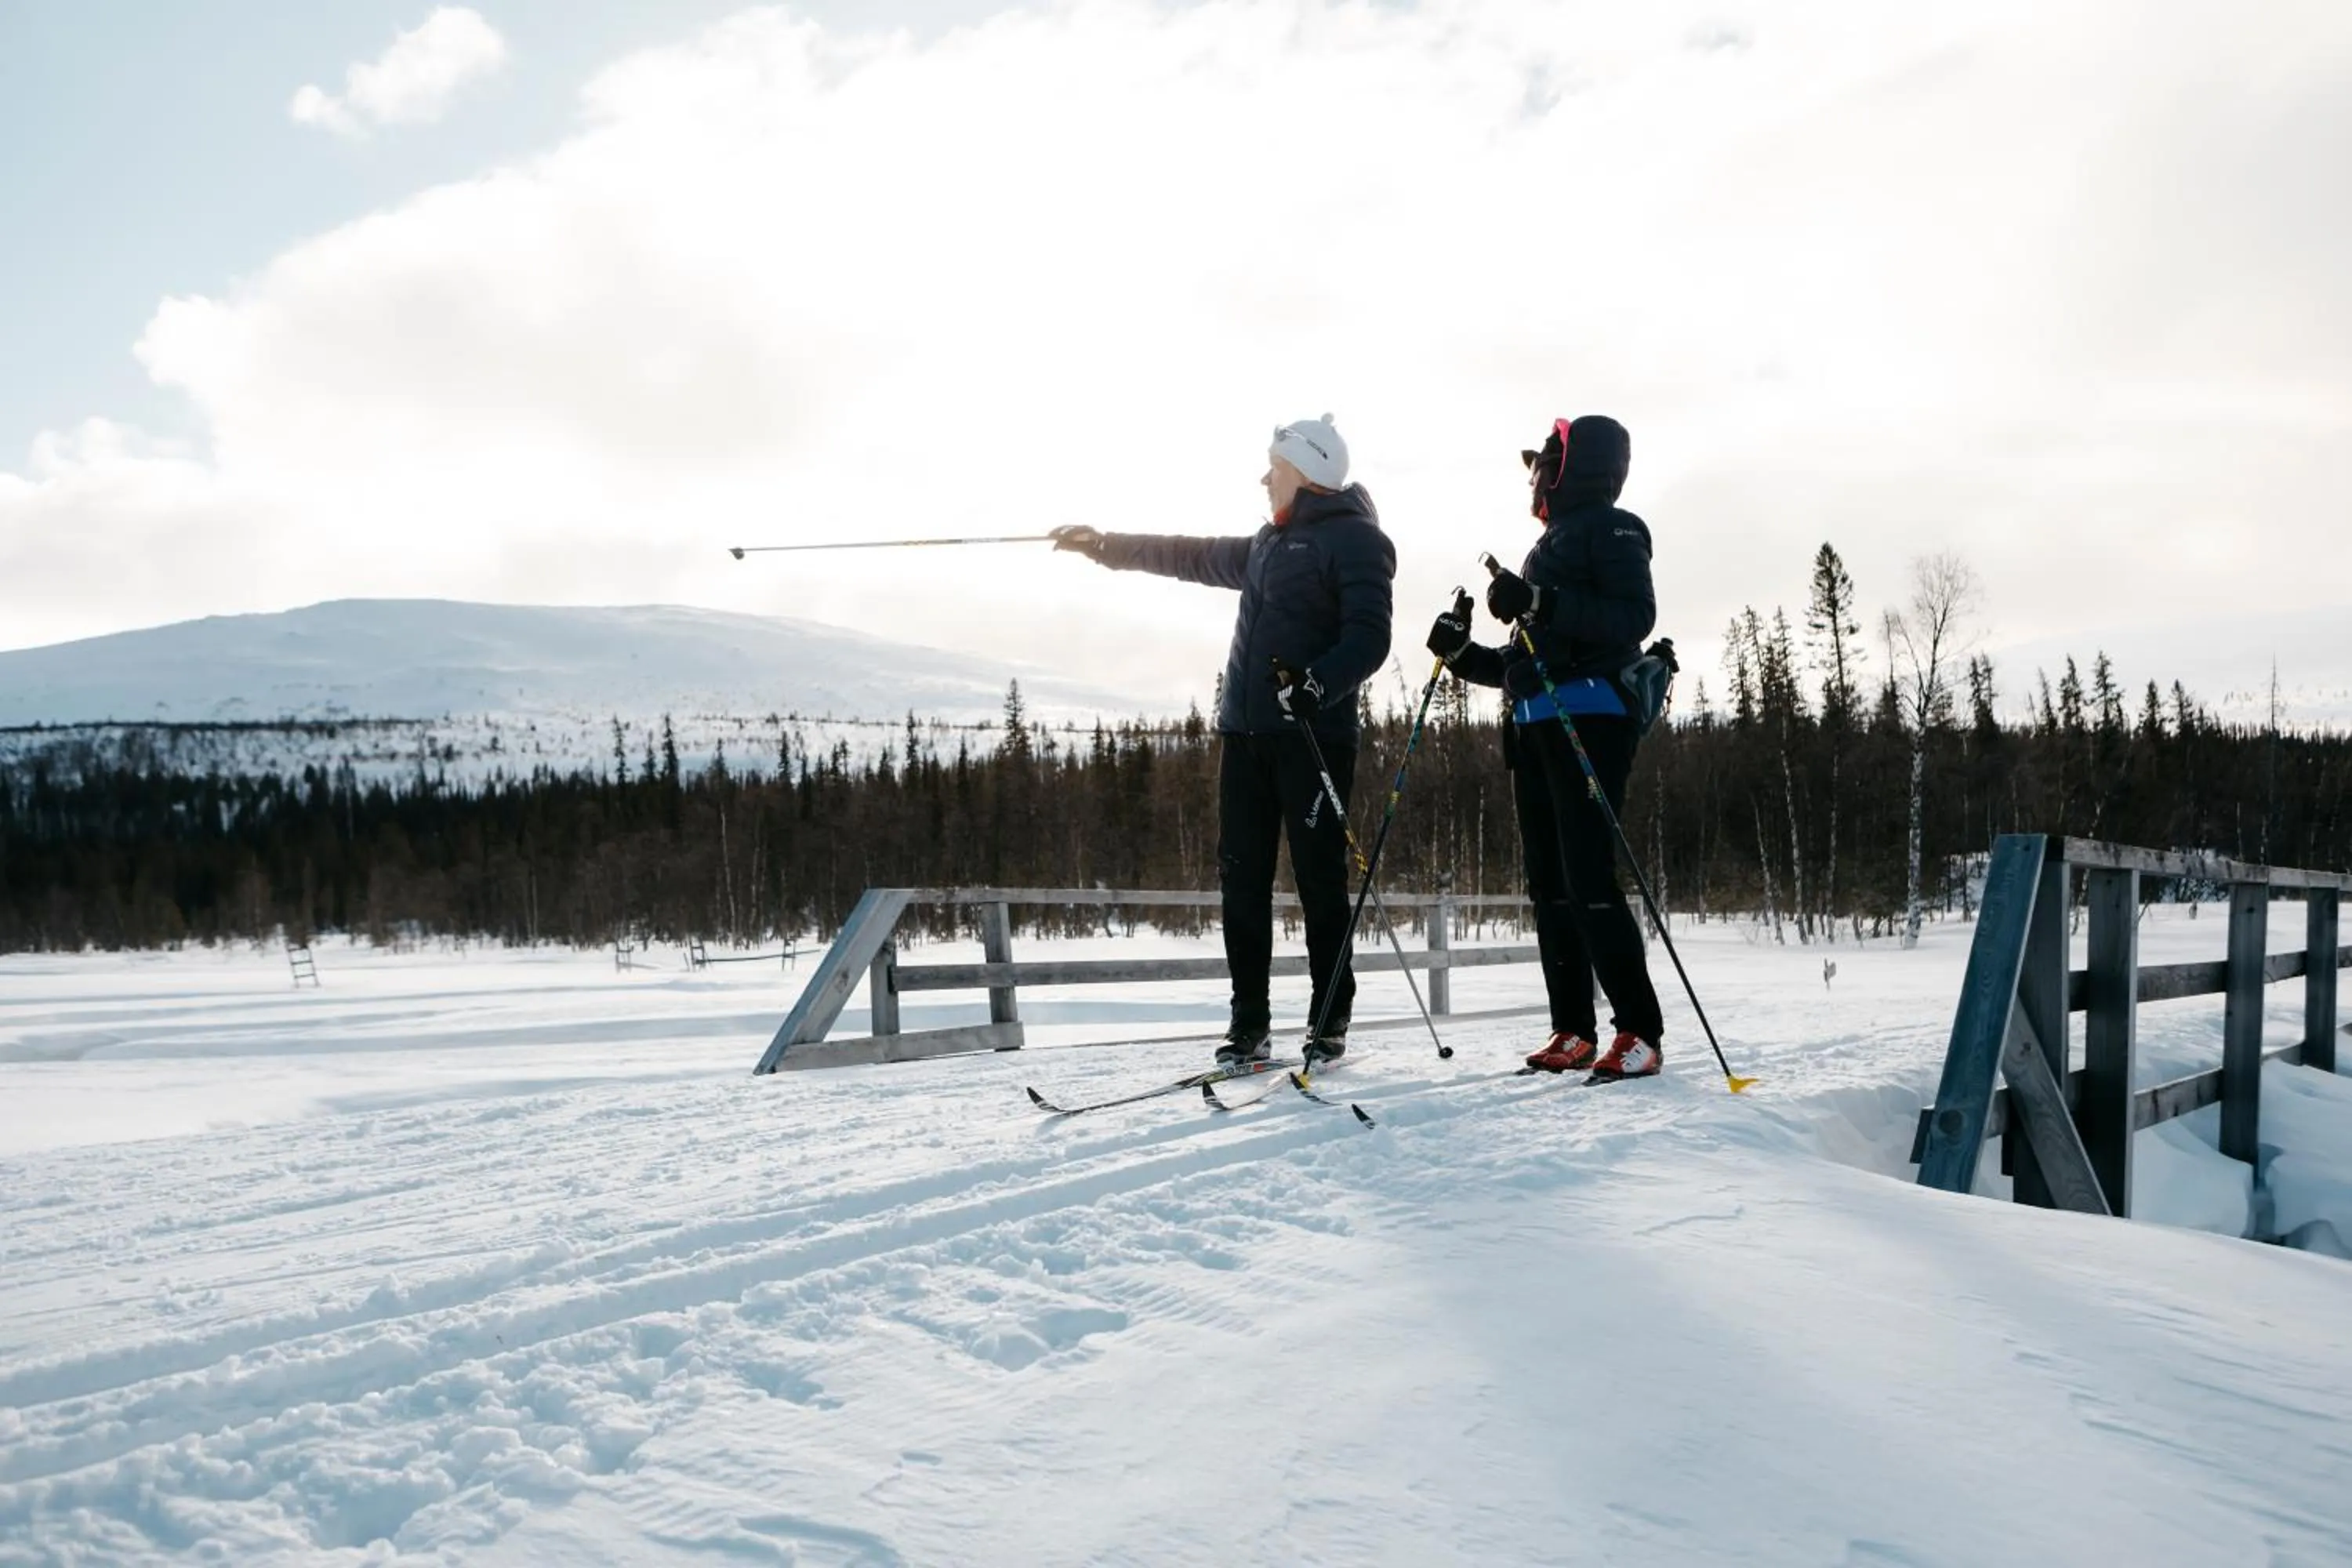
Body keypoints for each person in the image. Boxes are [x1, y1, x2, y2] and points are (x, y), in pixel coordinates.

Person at [1051, 417, 1396, 1066]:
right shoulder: (1267, 544)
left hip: (1313, 739)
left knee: (1321, 882)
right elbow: (1188, 554)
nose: (1265, 478)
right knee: (1241, 882)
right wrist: (1106, 545)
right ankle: (1250, 1024)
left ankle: (1329, 1020)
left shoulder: (1356, 542)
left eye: (1276, 467)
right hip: (1245, 739)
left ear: (1309, 471)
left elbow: (1370, 638)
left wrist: (1316, 686)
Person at [1424, 414, 1667, 1080]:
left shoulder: (1616, 528)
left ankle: (1639, 1032)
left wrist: (1539, 598)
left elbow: (1633, 617)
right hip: (1534, 720)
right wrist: (1460, 652)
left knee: (1588, 876)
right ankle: (1573, 1030)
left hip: (1590, 715)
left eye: (1544, 461)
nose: (1534, 475)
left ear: (1573, 465)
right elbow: (1525, 659)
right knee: (1550, 886)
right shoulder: (1550, 545)